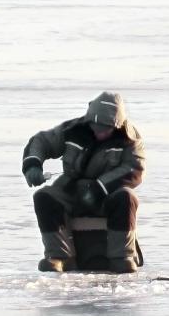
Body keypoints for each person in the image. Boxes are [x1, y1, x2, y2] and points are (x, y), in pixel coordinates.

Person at [22, 91, 146, 273]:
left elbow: (134, 168)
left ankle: (122, 256)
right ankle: (59, 256)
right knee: (44, 197)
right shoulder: (73, 129)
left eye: (105, 129)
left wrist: (99, 188)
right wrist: (33, 164)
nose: (99, 132)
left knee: (127, 198)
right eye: (96, 127)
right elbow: (42, 141)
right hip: (72, 189)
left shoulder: (130, 139)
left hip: (109, 193)